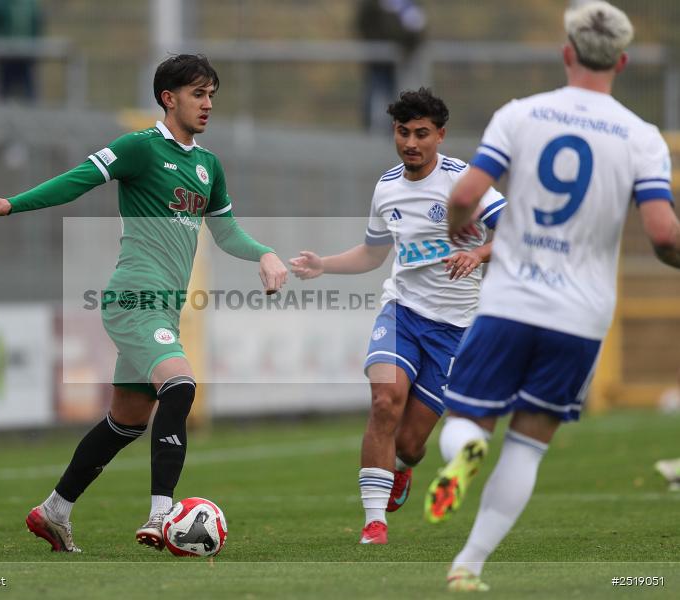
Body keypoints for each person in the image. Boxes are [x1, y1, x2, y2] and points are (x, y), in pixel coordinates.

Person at [0, 54, 288, 553]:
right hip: (133, 298)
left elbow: (227, 233)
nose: (208, 104)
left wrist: (265, 253)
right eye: (198, 94)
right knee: (181, 386)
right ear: (169, 98)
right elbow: (78, 178)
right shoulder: (140, 148)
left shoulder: (208, 166)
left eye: (212, 95)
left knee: (126, 422)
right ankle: (163, 514)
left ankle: (55, 510)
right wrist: (14, 202)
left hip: (162, 307)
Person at [423, 2, 680, 591]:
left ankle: (464, 455)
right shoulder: (642, 137)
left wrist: (458, 225)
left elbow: (466, 194)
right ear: (622, 60)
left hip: (511, 301)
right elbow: (664, 234)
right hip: (581, 316)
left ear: (566, 52)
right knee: (529, 445)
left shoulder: (521, 115)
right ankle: (469, 565)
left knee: (466, 420)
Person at [289, 88, 505, 545]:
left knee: (408, 444)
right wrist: (324, 264)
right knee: (385, 402)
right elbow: (372, 253)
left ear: (440, 136)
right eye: (403, 132)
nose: (411, 142)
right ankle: (374, 523)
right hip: (402, 312)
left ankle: (402, 469)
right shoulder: (387, 187)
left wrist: (480, 253)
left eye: (422, 134)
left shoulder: (465, 182)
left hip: (457, 329)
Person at [354, 0, 426, 133]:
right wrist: (375, 45)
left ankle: (392, 129)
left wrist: (405, 50)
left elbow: (416, 28)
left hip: (399, 59)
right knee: (375, 92)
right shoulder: (373, 5)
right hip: (377, 57)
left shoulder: (407, 5)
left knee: (396, 94)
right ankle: (371, 130)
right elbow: (364, 22)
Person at [0, 0, 43, 102]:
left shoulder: (30, 4)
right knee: (2, 93)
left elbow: (35, 26)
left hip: (26, 57)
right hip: (4, 57)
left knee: (30, 95)